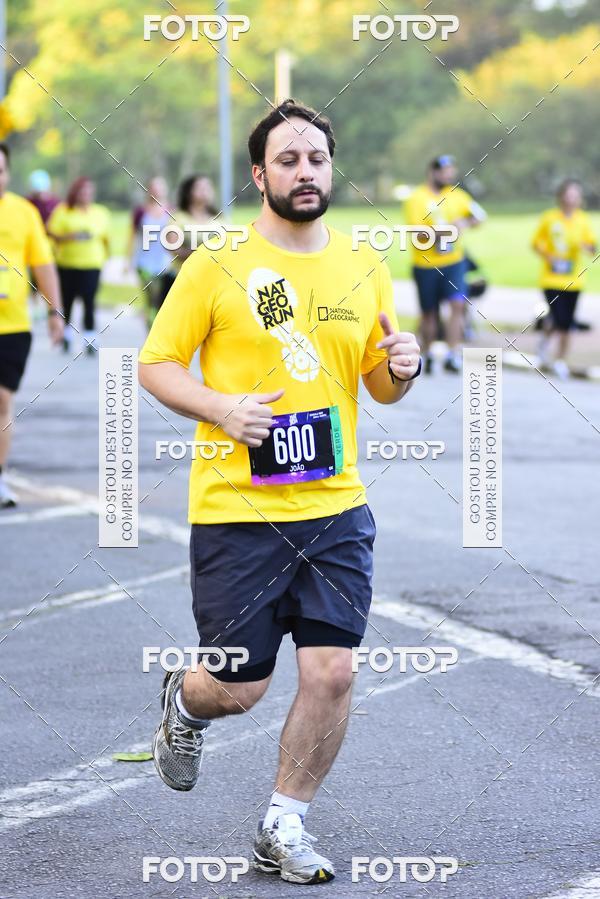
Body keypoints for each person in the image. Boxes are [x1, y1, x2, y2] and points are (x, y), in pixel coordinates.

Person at [138, 99, 421, 885]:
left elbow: (377, 380)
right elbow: (156, 362)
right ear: (260, 175)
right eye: (289, 161)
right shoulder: (217, 263)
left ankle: (282, 824)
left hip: (336, 505)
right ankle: (188, 702)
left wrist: (400, 368)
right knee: (240, 684)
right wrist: (222, 407)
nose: (306, 172)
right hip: (240, 509)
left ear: (333, 169)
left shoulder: (364, 262)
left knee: (333, 670)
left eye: (318, 159)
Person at [0, 144, 63, 508]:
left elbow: (43, 266)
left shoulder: (23, 213)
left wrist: (55, 314)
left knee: (2, 400)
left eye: (1, 170)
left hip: (11, 326)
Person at [404, 155, 486, 373]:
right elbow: (417, 234)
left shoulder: (458, 196)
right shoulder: (417, 198)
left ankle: (452, 353)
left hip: (454, 261)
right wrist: (445, 230)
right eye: (443, 171)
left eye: (450, 171)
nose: (447, 175)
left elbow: (480, 217)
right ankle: (429, 353)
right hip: (426, 264)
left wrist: (466, 222)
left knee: (457, 305)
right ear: (432, 172)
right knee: (429, 313)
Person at [532, 179, 597, 378]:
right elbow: (536, 243)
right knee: (561, 320)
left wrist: (586, 247)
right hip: (551, 280)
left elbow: (592, 246)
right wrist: (548, 256)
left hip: (574, 280)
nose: (571, 199)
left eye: (575, 196)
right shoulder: (550, 218)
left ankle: (560, 359)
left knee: (566, 323)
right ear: (561, 197)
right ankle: (551, 354)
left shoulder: (583, 220)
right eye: (568, 195)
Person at [47, 177, 110, 354]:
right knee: (67, 300)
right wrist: (69, 237)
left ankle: (90, 337)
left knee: (89, 301)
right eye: (83, 191)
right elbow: (52, 232)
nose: (86, 195)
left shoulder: (100, 212)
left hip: (92, 263)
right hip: (68, 263)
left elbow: (105, 238)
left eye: (89, 191)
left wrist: (107, 257)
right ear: (75, 192)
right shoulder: (64, 211)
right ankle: (66, 334)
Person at [127, 176, 172, 329]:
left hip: (165, 263)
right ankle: (150, 330)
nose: (157, 191)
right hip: (144, 263)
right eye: (154, 187)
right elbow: (132, 237)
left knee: (162, 300)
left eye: (160, 187)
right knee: (150, 299)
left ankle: (158, 329)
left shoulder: (171, 210)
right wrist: (128, 261)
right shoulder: (140, 212)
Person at [161, 174, 219, 293]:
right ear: (189, 193)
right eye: (200, 188)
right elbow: (173, 248)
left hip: (213, 282)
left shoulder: (219, 219)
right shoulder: (178, 218)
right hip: (182, 281)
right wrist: (201, 253)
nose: (205, 191)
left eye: (208, 187)